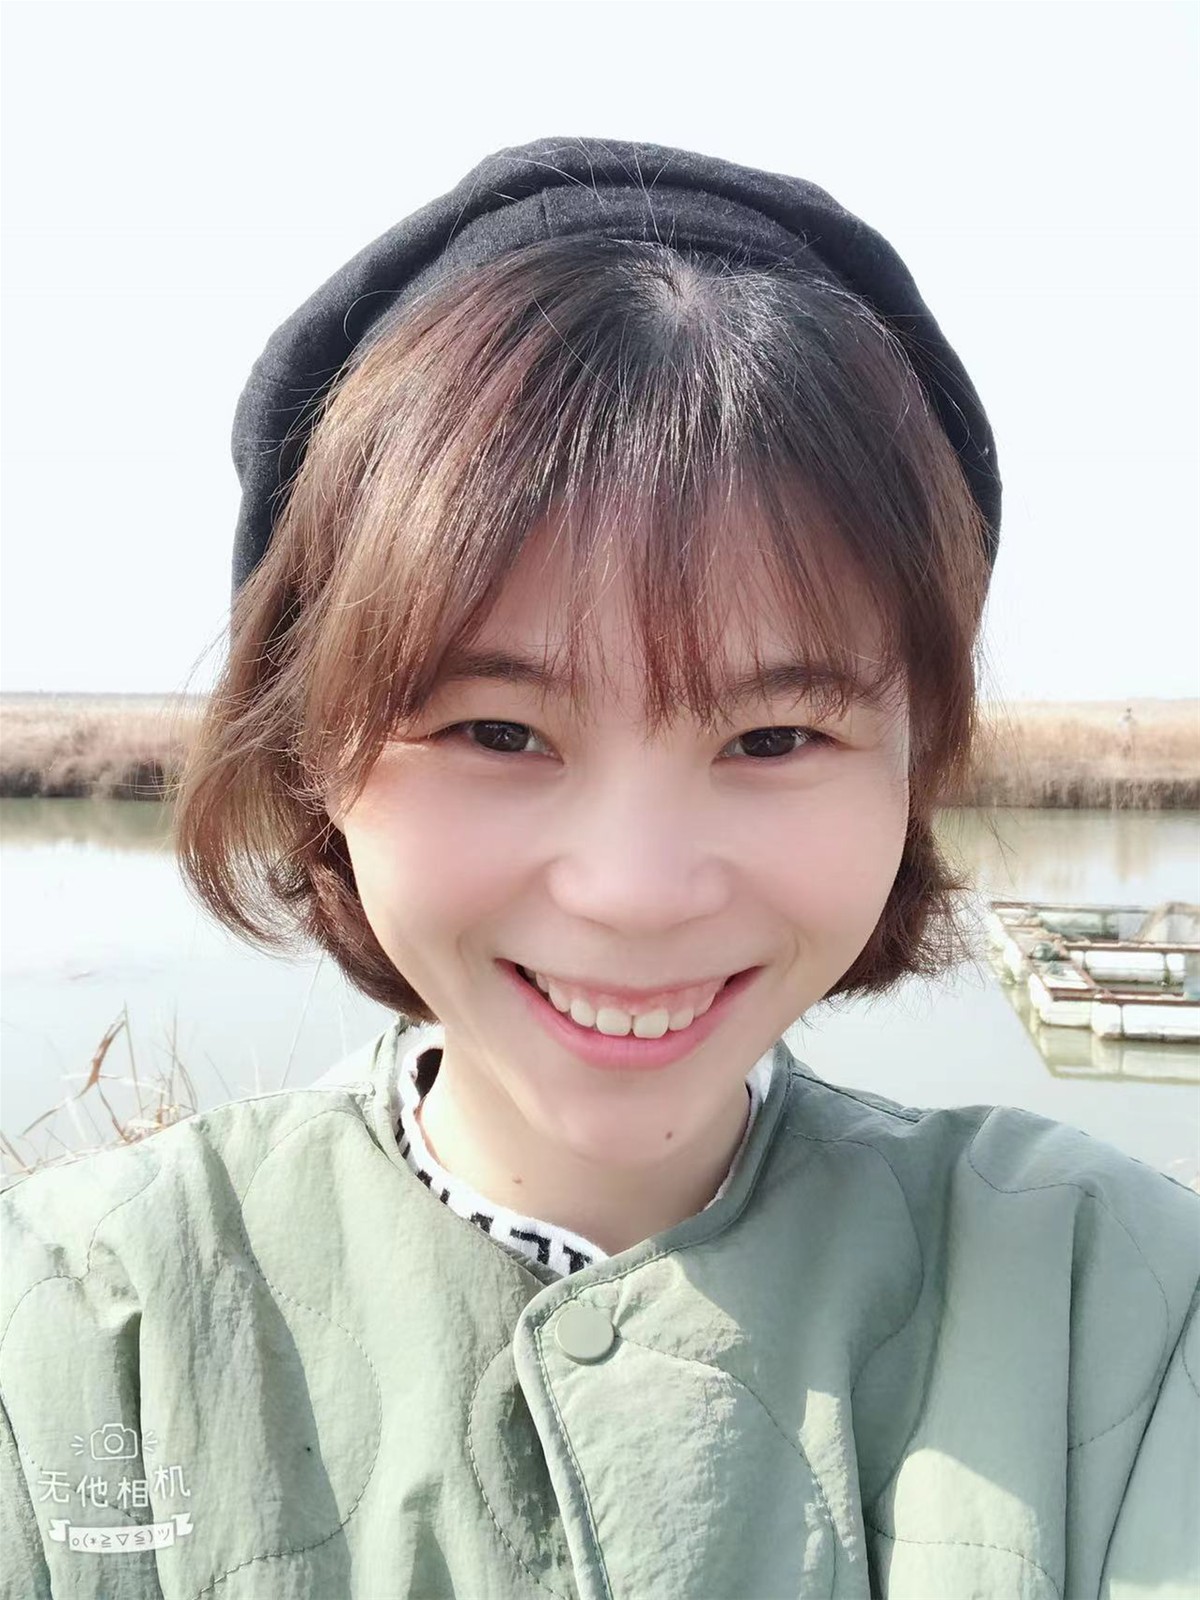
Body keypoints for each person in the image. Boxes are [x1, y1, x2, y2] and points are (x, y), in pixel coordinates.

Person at [2, 136, 1197, 1599]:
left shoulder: (1118, 1310)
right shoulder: (74, 1342)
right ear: (314, 750)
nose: (635, 891)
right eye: (499, 731)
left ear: (915, 765)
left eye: (774, 737)